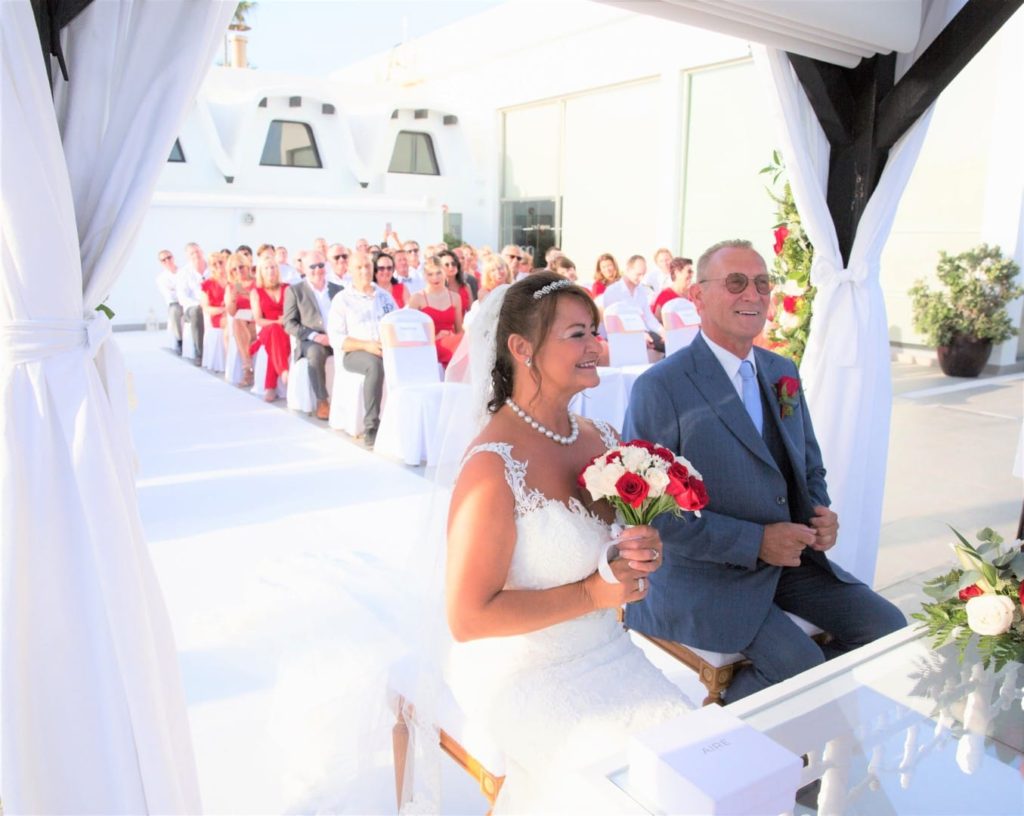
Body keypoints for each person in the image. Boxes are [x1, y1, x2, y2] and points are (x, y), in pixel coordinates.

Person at [445, 272, 691, 812]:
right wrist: (590, 595)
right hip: (523, 672)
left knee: (689, 762)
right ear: (521, 349)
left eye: (594, 332)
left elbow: (615, 551)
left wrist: (641, 549)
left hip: (609, 650)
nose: (596, 346)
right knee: (624, 794)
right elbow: (467, 618)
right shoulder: (491, 467)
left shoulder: (602, 438)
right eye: (578, 334)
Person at [623, 239, 905, 702]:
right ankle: (729, 732)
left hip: (788, 565)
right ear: (698, 296)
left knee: (888, 628)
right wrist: (756, 542)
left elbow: (809, 465)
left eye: (761, 283)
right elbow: (652, 514)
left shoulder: (780, 370)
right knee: (799, 667)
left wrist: (818, 514)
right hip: (704, 575)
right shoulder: (661, 387)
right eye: (736, 282)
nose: (752, 294)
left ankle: (810, 707)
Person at [327, 251, 397, 448]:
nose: (364, 271)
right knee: (374, 365)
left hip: (384, 350)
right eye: (359, 267)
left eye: (367, 266)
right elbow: (336, 338)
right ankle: (371, 426)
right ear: (349, 270)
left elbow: (396, 323)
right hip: (355, 353)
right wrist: (366, 345)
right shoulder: (342, 299)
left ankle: (400, 421)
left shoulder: (385, 297)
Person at [284, 250, 334, 420]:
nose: (317, 270)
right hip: (312, 341)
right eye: (312, 266)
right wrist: (315, 336)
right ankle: (322, 401)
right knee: (315, 352)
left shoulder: (338, 289)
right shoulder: (295, 291)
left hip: (337, 337)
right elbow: (289, 323)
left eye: (320, 265)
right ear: (304, 269)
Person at [407, 256, 463, 369]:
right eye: (430, 274)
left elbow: (459, 330)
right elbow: (411, 334)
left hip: (453, 343)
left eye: (438, 273)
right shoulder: (417, 298)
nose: (435, 278)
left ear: (445, 273)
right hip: (429, 347)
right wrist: (435, 337)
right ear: (424, 276)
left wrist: (454, 337)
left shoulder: (455, 297)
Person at [602, 254, 665, 353]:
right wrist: (638, 336)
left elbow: (648, 317)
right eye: (638, 274)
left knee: (670, 342)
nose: (641, 278)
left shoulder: (641, 290)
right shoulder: (612, 291)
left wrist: (662, 331)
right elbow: (612, 325)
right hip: (623, 338)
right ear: (628, 270)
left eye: (643, 274)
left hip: (644, 334)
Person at [250, 256, 291, 401]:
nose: (270, 271)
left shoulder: (287, 288)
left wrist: (284, 321)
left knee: (277, 335)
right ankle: (283, 371)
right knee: (274, 330)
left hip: (287, 328)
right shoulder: (256, 292)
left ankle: (271, 386)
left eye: (273, 267)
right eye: (266, 268)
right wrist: (276, 322)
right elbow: (258, 320)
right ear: (261, 271)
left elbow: (293, 312)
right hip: (267, 329)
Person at [224, 252, 256, 386]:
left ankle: (247, 370)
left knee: (239, 321)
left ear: (247, 266)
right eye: (234, 269)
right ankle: (247, 366)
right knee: (237, 320)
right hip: (242, 321)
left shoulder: (257, 281)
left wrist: (247, 294)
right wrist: (233, 298)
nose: (238, 271)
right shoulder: (232, 286)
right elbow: (231, 312)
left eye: (241, 267)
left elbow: (262, 302)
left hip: (257, 317)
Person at [175, 242, 205, 362]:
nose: (196, 255)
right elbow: (182, 298)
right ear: (188, 257)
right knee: (197, 312)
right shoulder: (184, 273)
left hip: (213, 305)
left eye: (197, 251)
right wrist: (200, 304)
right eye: (192, 253)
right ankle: (200, 353)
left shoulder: (212, 267)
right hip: (193, 307)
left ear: (202, 252)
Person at [199, 251, 229, 354]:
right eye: (214, 264)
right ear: (210, 267)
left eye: (220, 262)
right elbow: (206, 308)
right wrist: (224, 310)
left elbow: (243, 296)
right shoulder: (206, 284)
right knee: (232, 324)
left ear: (225, 262)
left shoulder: (235, 280)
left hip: (235, 312)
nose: (218, 265)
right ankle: (229, 357)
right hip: (219, 316)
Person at [155, 249, 183, 353]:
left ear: (173, 257)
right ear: (161, 263)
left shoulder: (184, 272)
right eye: (164, 260)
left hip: (189, 301)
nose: (167, 261)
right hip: (175, 303)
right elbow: (170, 295)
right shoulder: (161, 278)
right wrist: (181, 292)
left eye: (169, 257)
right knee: (174, 311)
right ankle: (180, 341)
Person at [652, 256, 694, 323]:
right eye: (689, 271)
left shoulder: (693, 294)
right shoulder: (665, 295)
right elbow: (656, 321)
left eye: (692, 271)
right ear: (677, 272)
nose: (692, 274)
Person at [438, 249, 472, 314]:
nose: (451, 267)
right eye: (447, 265)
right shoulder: (437, 289)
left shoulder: (466, 287)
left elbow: (471, 313)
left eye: (453, 263)